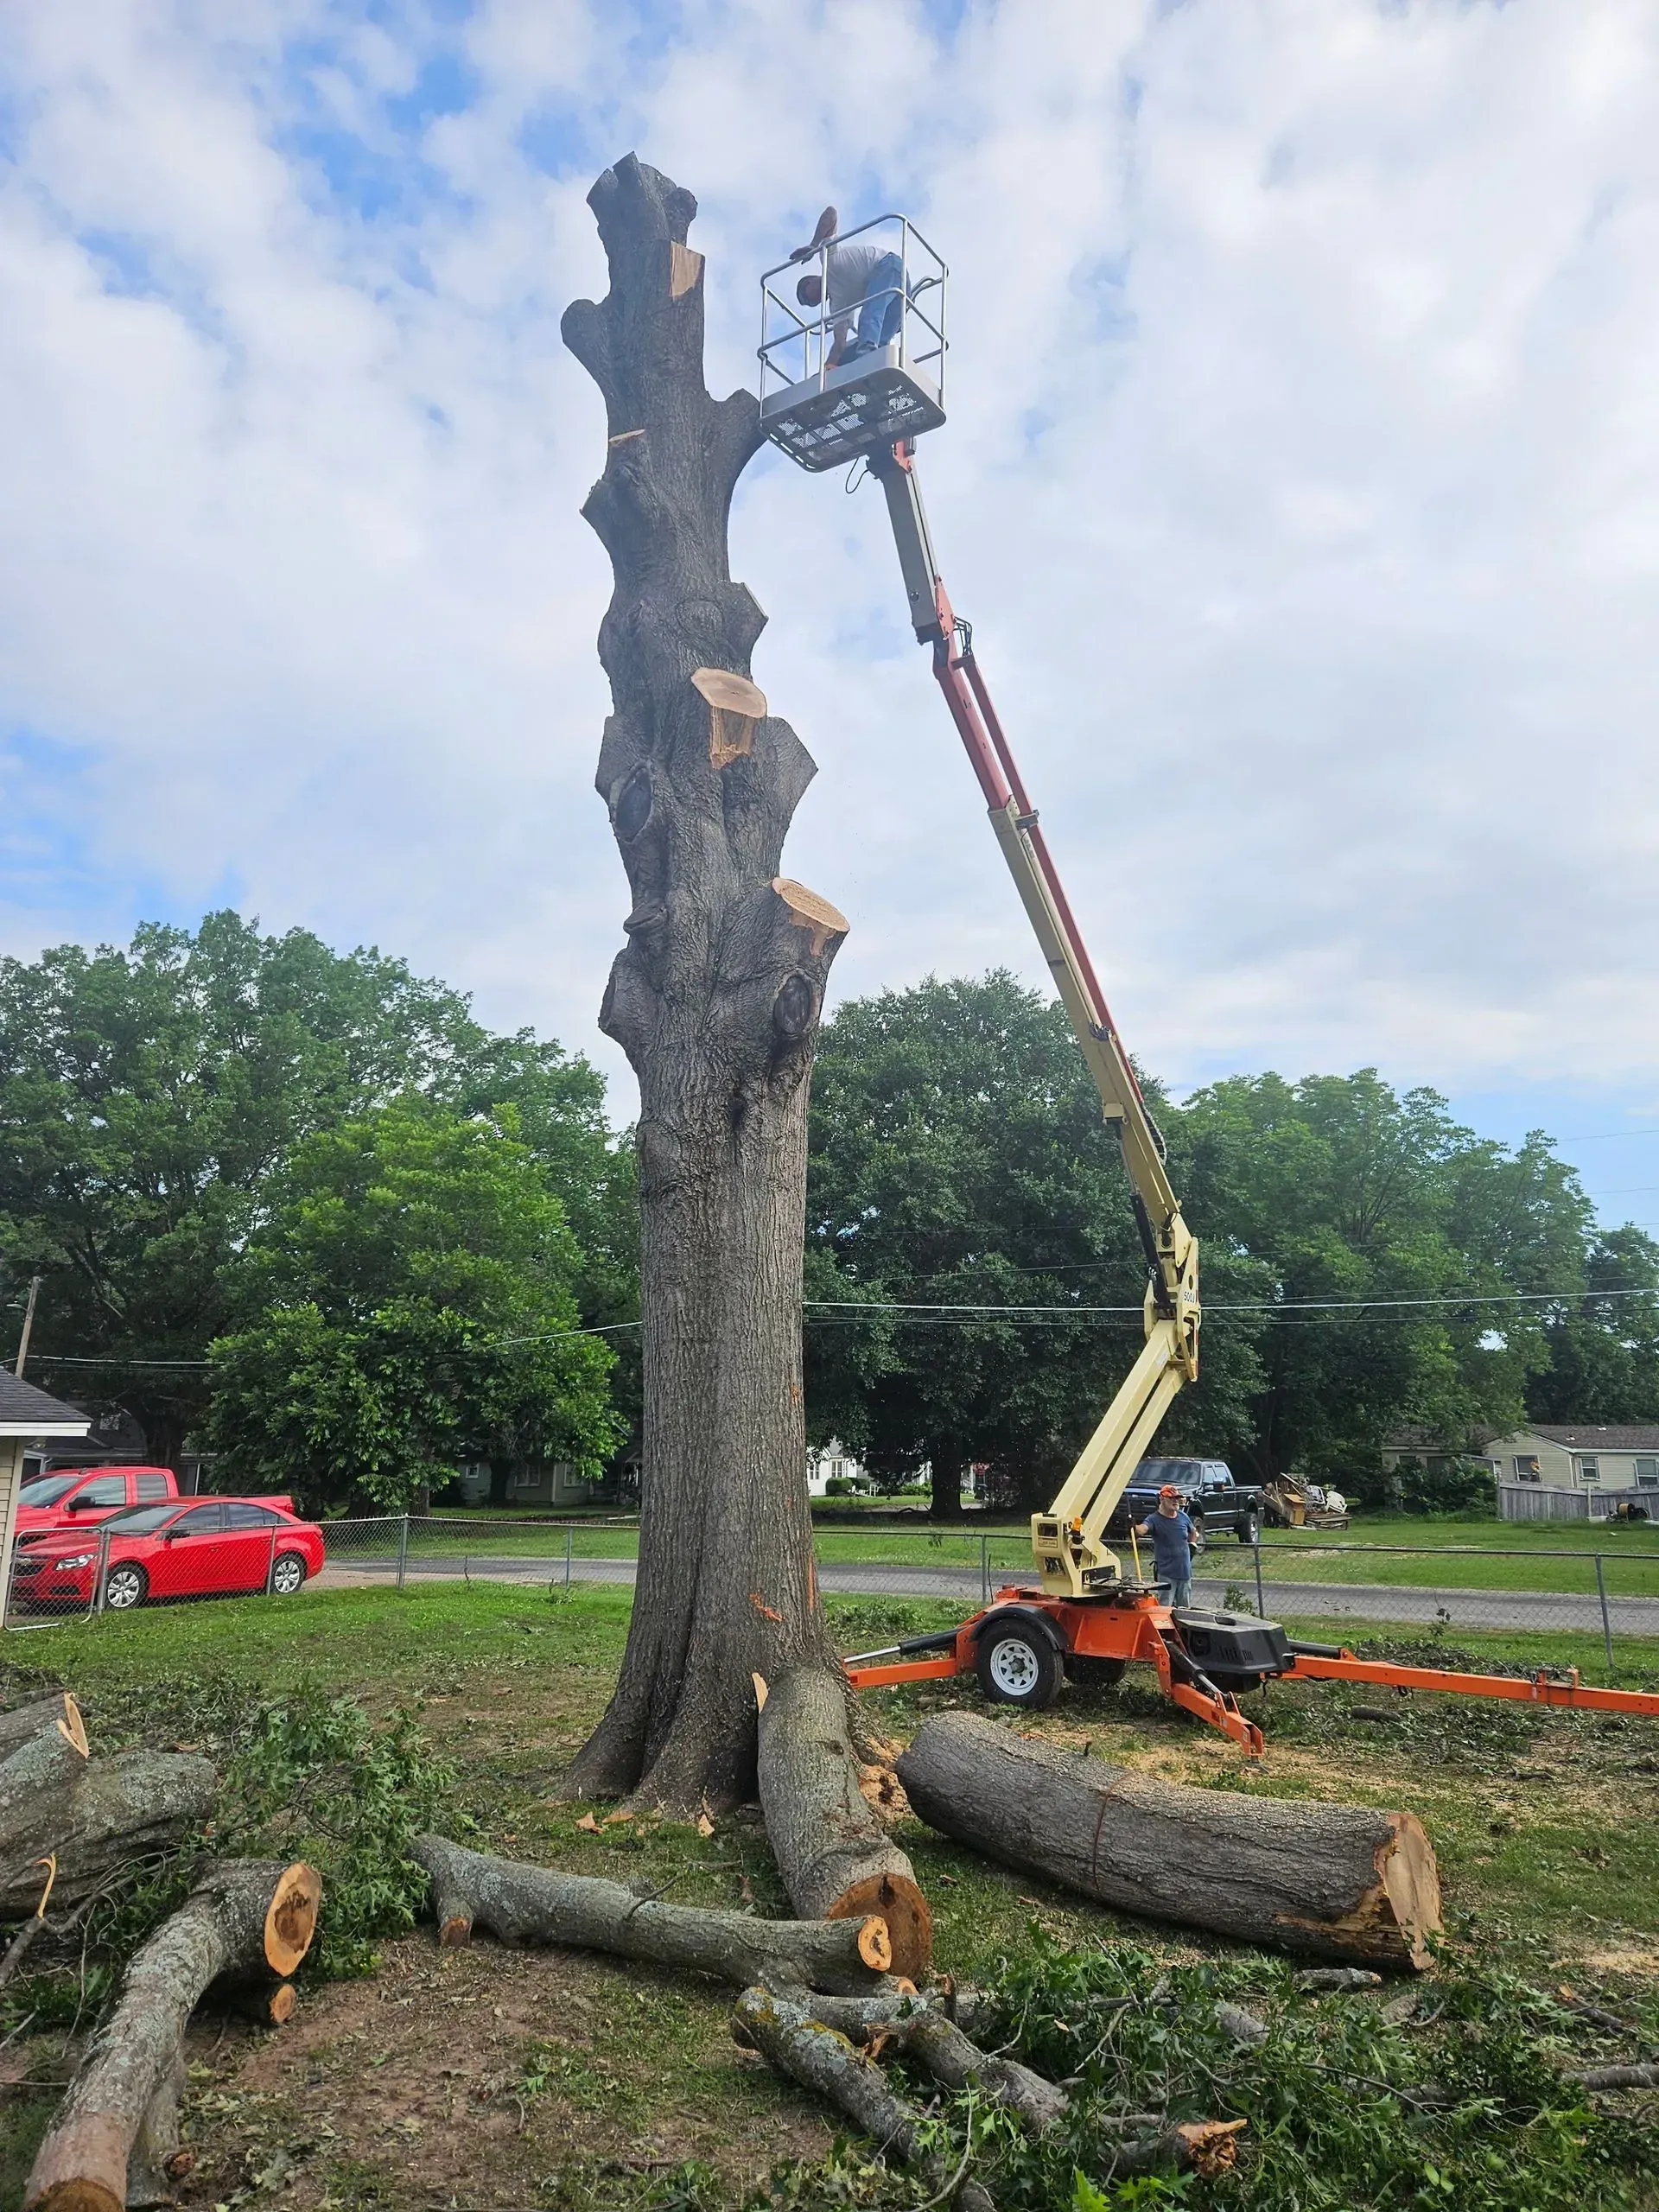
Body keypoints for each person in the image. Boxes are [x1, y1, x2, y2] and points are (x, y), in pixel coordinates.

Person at [790, 204, 906, 367]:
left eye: (806, 298)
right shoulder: (838, 305)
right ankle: (873, 365)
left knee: (869, 316)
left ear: (809, 281)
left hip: (888, 266)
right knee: (881, 341)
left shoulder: (829, 260)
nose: (811, 303)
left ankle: (867, 360)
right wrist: (827, 368)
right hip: (893, 286)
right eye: (809, 304)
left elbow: (831, 213)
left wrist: (814, 245)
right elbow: (840, 343)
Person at [1138, 1484, 1198, 1609]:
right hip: (1167, 1574)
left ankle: (1182, 1629)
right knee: (1165, 1609)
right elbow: (1142, 1529)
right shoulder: (1154, 1519)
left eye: (1177, 1498)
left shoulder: (1183, 1516)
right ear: (1162, 1498)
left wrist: (1192, 1545)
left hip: (1185, 1573)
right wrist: (1135, 1528)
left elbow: (1193, 1532)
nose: (1175, 1501)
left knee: (1184, 1610)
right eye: (1171, 1498)